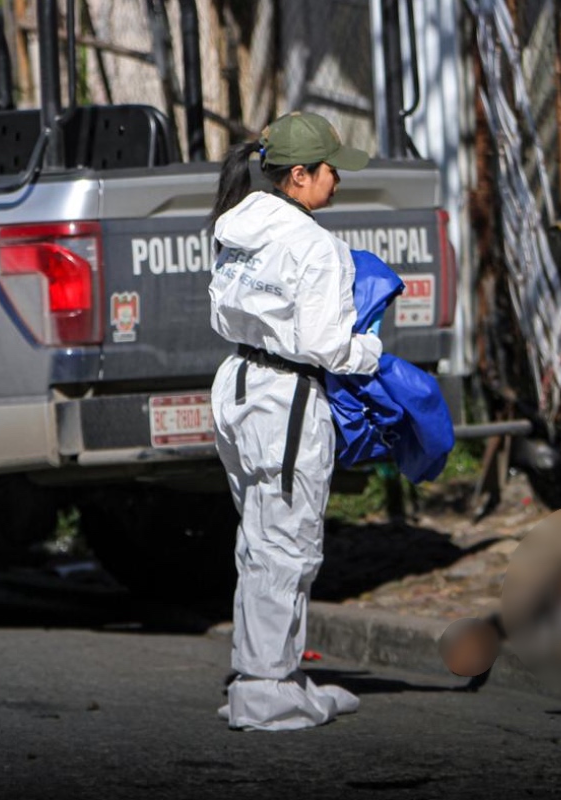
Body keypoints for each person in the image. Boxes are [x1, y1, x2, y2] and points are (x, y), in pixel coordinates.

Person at [208, 112, 380, 731]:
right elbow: (330, 347)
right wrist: (376, 352)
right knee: (288, 543)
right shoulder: (316, 245)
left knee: (260, 537)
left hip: (238, 385)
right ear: (300, 175)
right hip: (287, 397)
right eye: (332, 171)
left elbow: (226, 308)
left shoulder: (240, 224)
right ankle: (264, 693)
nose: (339, 182)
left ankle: (270, 674)